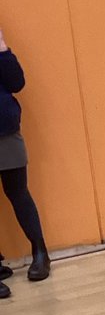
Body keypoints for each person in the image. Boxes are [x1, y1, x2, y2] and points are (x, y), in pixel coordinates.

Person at [0, 25, 51, 299]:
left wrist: (2, 51)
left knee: (18, 192)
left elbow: (17, 83)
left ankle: (40, 252)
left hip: (4, 129)